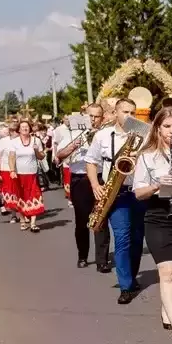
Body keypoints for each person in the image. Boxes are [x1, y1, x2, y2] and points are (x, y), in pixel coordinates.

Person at [133, 106, 172, 344]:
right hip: (158, 215)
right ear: (157, 128)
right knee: (167, 272)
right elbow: (138, 193)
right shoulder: (147, 156)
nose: (171, 131)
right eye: (167, 126)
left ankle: (168, 308)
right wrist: (157, 184)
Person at [85, 98, 146, 304]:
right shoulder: (103, 135)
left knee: (138, 237)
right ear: (116, 112)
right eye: (125, 111)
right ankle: (126, 285)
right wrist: (96, 185)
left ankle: (132, 275)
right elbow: (91, 162)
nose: (130, 116)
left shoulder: (143, 133)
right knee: (122, 238)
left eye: (133, 112)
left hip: (137, 191)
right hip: (115, 192)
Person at [57, 104, 111, 271]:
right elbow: (60, 154)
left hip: (100, 177)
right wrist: (79, 141)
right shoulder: (72, 132)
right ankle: (82, 255)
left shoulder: (105, 134)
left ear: (102, 118)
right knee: (82, 220)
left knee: (101, 218)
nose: (94, 120)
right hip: (79, 178)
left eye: (97, 116)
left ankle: (102, 260)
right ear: (84, 116)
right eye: (91, 116)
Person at [7, 120, 46, 232]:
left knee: (34, 196)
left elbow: (41, 156)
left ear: (30, 129)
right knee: (20, 196)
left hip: (32, 174)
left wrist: (36, 150)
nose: (25, 129)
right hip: (19, 174)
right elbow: (11, 157)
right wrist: (12, 170)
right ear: (18, 130)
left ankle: (33, 223)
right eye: (22, 127)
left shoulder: (36, 140)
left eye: (27, 127)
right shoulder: (14, 142)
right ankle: (23, 221)